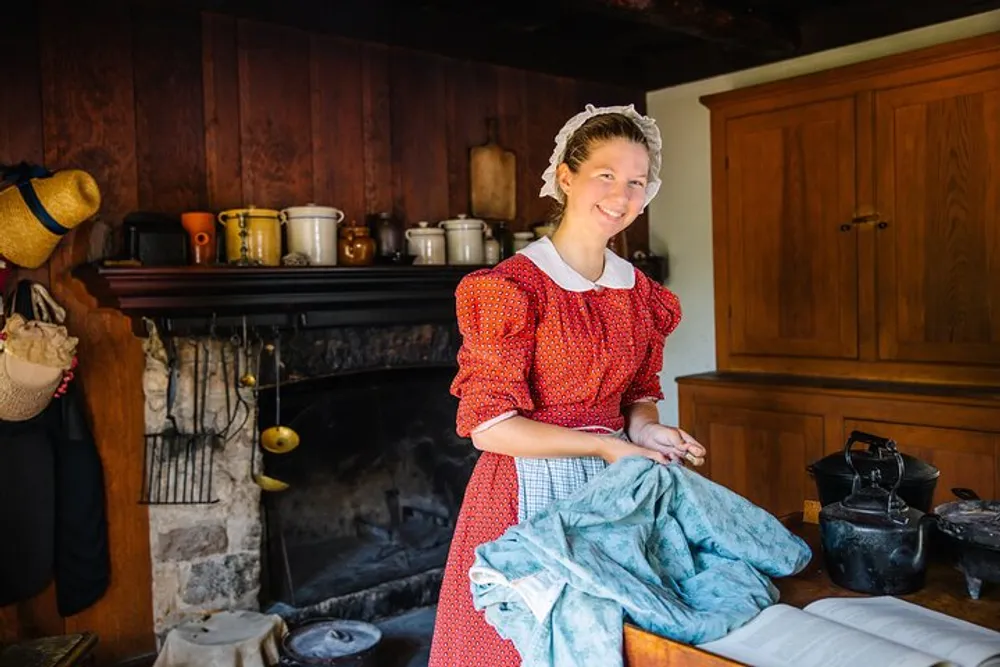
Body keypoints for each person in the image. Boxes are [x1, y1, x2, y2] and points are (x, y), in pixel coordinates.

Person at [427, 104, 707, 667]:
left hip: (610, 493)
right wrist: (605, 446)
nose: (622, 195)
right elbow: (489, 428)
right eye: (607, 175)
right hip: (524, 495)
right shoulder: (511, 288)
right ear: (565, 177)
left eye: (636, 181)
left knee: (610, 645)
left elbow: (637, 397)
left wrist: (648, 434)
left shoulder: (643, 296)